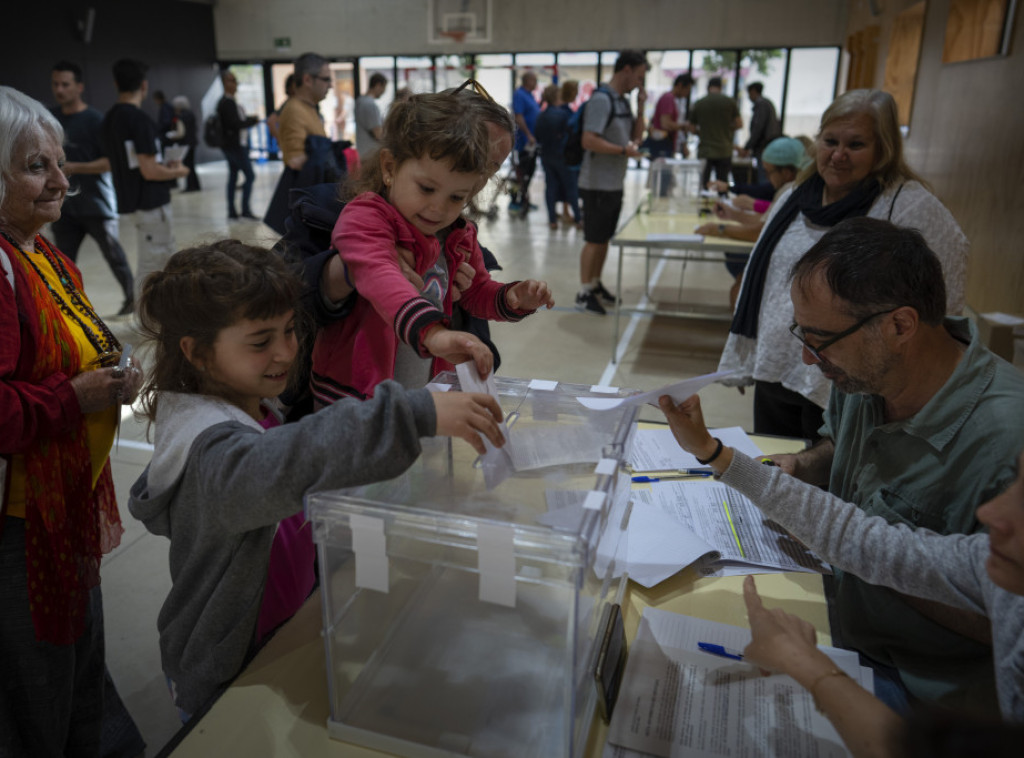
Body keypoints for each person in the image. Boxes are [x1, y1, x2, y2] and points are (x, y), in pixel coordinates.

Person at [126, 240, 507, 720]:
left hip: (287, 631)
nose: (286, 352)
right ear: (196, 352)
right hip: (231, 674)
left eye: (290, 330)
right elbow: (290, 460)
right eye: (261, 342)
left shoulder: (253, 406)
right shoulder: (210, 457)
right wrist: (413, 414)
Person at [730, 219, 1024, 713]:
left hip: (925, 692)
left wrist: (865, 555)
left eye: (821, 338)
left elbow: (1002, 620)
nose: (808, 357)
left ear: (900, 326)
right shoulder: (864, 373)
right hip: (840, 623)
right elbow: (840, 446)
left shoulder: (1007, 441)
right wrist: (804, 466)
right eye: (802, 332)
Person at [658, 392, 1024, 755]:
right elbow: (862, 539)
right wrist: (713, 452)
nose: (991, 514)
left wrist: (804, 663)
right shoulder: (989, 561)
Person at [0, 85, 144, 758]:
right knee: (39, 674)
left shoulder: (42, 252)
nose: (62, 181)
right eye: (37, 167)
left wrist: (113, 375)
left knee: (78, 651)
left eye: (60, 163)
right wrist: (73, 398)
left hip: (60, 503)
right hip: (18, 520)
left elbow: (79, 345)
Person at [719, 88, 969, 441]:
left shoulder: (911, 207)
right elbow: (767, 281)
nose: (838, 155)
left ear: (883, 149)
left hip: (854, 386)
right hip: (778, 366)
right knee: (777, 466)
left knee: (830, 473)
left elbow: (942, 303)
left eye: (856, 145)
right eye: (830, 141)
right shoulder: (793, 197)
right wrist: (747, 354)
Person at [310, 90, 554, 405]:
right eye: (426, 188)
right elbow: (380, 275)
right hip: (353, 400)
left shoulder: (459, 234)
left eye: (456, 197)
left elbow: (476, 294)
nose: (438, 209)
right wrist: (433, 333)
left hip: (418, 393)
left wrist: (511, 297)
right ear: (389, 167)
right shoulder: (366, 217)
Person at [48, 60, 134, 316]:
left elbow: (110, 162)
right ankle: (66, 308)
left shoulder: (96, 120)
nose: (59, 90)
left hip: (97, 204)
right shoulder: (49, 119)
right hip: (63, 206)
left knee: (115, 256)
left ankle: (132, 300)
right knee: (61, 263)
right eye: (55, 84)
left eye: (65, 84)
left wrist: (73, 167)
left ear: (79, 87)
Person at [101, 59, 190, 300]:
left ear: (116, 84)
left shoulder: (110, 119)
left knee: (153, 264)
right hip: (151, 204)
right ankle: (147, 317)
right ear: (144, 85)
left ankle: (153, 314)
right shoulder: (139, 119)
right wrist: (179, 172)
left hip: (132, 201)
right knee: (155, 267)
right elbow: (149, 171)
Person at [574, 50, 648, 316]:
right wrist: (622, 151)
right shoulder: (601, 100)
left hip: (614, 182)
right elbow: (588, 140)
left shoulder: (622, 102)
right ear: (626, 70)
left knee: (604, 238)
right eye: (639, 77)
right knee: (594, 239)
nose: (639, 83)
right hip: (596, 183)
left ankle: (595, 284)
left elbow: (636, 138)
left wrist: (641, 107)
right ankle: (584, 292)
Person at [263, 53, 334, 234]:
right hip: (306, 207)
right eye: (326, 79)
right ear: (307, 79)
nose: (330, 85)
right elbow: (296, 161)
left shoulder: (309, 108)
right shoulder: (294, 110)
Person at [533, 84, 579, 229]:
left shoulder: (541, 116)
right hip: (563, 156)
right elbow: (572, 134)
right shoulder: (564, 115)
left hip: (546, 156)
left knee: (550, 188)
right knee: (571, 187)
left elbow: (537, 136)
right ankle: (579, 219)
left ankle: (552, 220)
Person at [216, 70, 260, 220]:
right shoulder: (227, 102)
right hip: (234, 146)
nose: (235, 84)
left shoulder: (228, 101)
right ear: (224, 83)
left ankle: (232, 211)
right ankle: (244, 210)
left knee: (233, 177)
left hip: (233, 145)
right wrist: (251, 121)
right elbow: (234, 124)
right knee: (250, 176)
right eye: (232, 80)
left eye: (235, 80)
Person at [688, 76, 742, 189]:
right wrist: (726, 129)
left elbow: (692, 128)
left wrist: (703, 132)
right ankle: (722, 200)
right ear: (721, 87)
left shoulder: (699, 103)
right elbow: (739, 124)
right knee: (722, 184)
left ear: (708, 87)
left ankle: (704, 200)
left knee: (703, 185)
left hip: (705, 150)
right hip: (724, 150)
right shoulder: (730, 102)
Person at [645, 73, 693, 195]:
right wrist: (683, 126)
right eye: (687, 89)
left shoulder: (670, 99)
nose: (687, 94)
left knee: (664, 185)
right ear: (680, 85)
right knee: (662, 186)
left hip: (665, 147)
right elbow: (665, 123)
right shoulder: (668, 98)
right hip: (662, 148)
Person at [509, 71, 540, 216]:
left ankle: (524, 200)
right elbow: (519, 117)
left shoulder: (530, 95)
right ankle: (514, 201)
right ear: (527, 81)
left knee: (529, 173)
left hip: (532, 143)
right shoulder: (519, 95)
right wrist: (528, 135)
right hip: (523, 143)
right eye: (534, 80)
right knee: (520, 173)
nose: (536, 83)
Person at [740, 82, 781, 183]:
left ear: (754, 91)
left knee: (764, 175)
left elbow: (758, 128)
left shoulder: (761, 104)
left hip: (763, 146)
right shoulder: (767, 103)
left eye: (749, 93)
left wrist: (747, 146)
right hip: (768, 144)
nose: (749, 97)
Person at [166, 95, 200, 192]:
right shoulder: (191, 114)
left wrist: (172, 136)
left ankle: (191, 186)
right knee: (191, 165)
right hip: (192, 142)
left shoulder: (180, 116)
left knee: (187, 165)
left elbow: (180, 133)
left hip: (185, 143)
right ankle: (195, 185)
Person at [355, 72, 387, 160]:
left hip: (362, 153)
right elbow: (378, 134)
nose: (383, 92)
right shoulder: (370, 105)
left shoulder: (360, 101)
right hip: (370, 156)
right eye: (384, 88)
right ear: (378, 85)